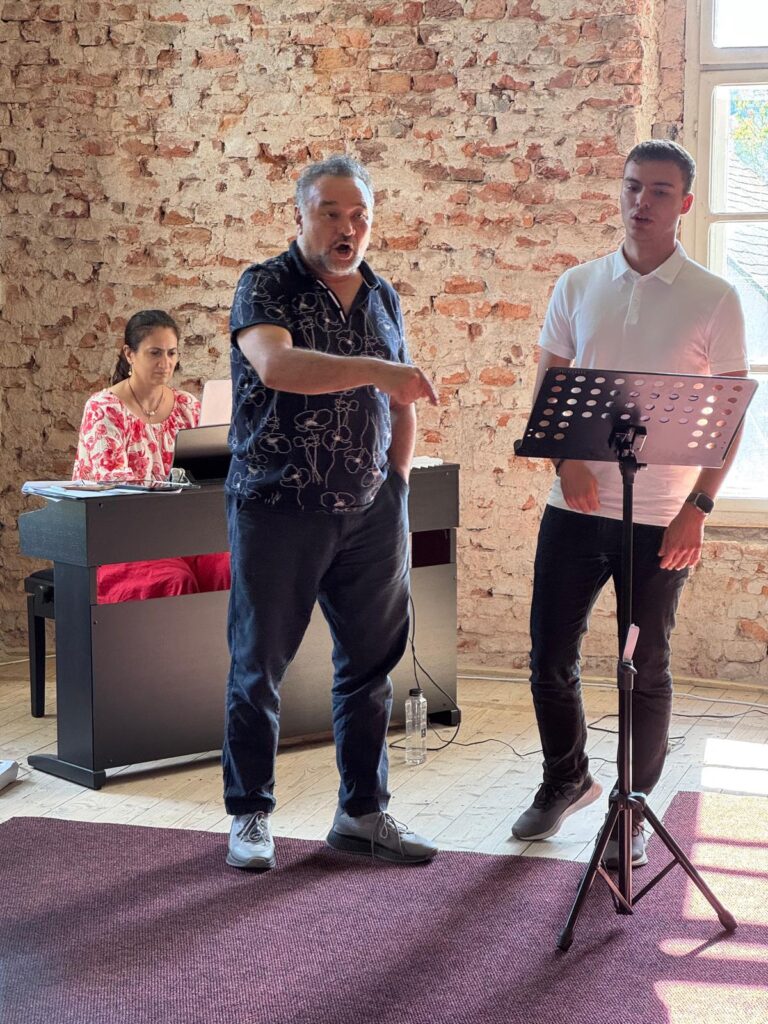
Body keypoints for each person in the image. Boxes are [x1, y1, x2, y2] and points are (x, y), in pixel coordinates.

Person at [512, 140, 749, 868]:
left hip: (662, 517)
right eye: (632, 186)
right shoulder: (578, 283)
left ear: (685, 203)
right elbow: (549, 389)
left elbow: (732, 415)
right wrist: (566, 462)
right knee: (550, 655)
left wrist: (698, 508)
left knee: (645, 665)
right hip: (575, 508)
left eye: (659, 191)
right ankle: (566, 779)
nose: (641, 201)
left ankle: (633, 809)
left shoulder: (715, 295)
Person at [223, 155, 439, 871]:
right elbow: (278, 367)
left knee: (370, 668)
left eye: (359, 217)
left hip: (371, 511)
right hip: (277, 509)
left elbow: (402, 400)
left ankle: (361, 814)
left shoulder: (382, 295)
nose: (348, 229)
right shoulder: (265, 284)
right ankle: (250, 815)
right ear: (300, 215)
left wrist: (398, 484)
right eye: (331, 214)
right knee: (258, 668)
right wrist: (379, 371)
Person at [73, 309, 231, 604]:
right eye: (155, 353)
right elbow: (116, 490)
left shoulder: (187, 405)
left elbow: (206, 472)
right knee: (173, 581)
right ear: (129, 354)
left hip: (184, 532)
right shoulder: (104, 408)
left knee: (231, 568)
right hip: (120, 538)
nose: (166, 362)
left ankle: (227, 637)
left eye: (172, 353)